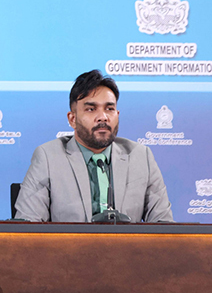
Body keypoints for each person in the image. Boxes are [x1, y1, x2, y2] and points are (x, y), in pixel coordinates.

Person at [14, 70, 173, 223]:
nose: (102, 117)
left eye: (109, 109)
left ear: (117, 115)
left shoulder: (141, 156)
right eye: (91, 109)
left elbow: (164, 226)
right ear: (72, 119)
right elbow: (27, 227)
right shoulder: (48, 157)